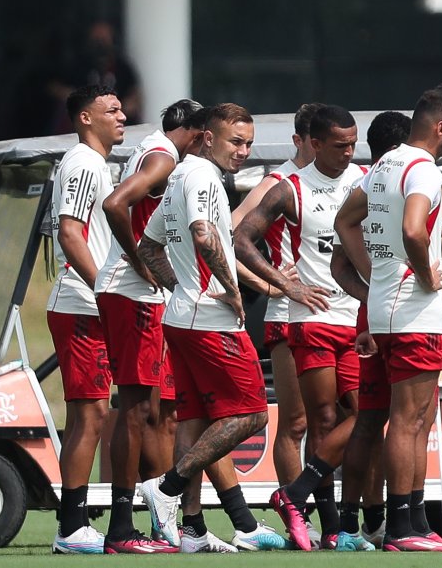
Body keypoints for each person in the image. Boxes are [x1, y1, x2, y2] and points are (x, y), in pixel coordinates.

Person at [133, 103, 314, 553]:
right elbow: (201, 232)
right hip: (210, 322)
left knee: (193, 421)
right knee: (251, 413)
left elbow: (149, 246)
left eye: (249, 143)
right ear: (208, 137)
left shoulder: (179, 175)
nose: (244, 151)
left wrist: (186, 286)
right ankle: (168, 488)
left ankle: (192, 528)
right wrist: (226, 290)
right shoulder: (201, 177)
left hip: (182, 317)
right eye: (236, 141)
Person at [334, 85, 442, 552]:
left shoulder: (384, 164)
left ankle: (410, 522)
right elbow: (415, 227)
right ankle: (403, 528)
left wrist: (377, 275)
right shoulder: (423, 168)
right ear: (440, 127)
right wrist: (423, 274)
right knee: (409, 422)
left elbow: (345, 222)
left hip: (384, 308)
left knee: (405, 419)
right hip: (414, 311)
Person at [232, 105, 365, 550]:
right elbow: (236, 234)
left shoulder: (363, 179)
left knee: (358, 415)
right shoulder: (283, 184)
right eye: (339, 144)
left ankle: (321, 511)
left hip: (354, 317)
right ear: (310, 141)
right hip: (300, 318)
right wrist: (282, 284)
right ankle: (311, 523)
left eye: (352, 144)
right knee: (300, 422)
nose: (348, 152)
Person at [96, 98, 208, 551]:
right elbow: (115, 203)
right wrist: (141, 260)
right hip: (131, 292)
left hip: (129, 293)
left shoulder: (152, 148)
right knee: (137, 408)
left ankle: (144, 521)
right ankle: (120, 530)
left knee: (150, 409)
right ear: (199, 134)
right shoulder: (163, 158)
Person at [48, 86, 126, 554]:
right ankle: (71, 529)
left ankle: (74, 526)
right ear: (84, 118)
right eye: (110, 110)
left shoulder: (99, 165)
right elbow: (70, 233)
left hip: (92, 303)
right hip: (82, 304)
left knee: (96, 414)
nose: (120, 115)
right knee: (91, 415)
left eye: (120, 108)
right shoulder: (81, 163)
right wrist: (104, 291)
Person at [331, 110, 411, 550]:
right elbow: (339, 260)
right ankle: (403, 523)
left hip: (373, 311)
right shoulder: (404, 180)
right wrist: (380, 283)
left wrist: (370, 292)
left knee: (371, 419)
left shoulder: (365, 183)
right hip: (399, 312)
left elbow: (337, 263)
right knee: (402, 420)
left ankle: (357, 524)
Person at [230, 106, 316, 502]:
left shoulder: (348, 179)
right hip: (288, 313)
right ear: (299, 141)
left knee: (334, 420)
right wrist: (270, 282)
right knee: (296, 421)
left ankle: (340, 520)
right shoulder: (277, 182)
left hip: (335, 312)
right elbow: (228, 232)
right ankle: (298, 514)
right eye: (314, 141)